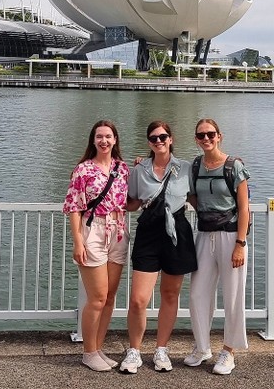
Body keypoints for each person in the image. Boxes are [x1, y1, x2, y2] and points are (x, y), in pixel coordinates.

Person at [119, 120, 197, 373]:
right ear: (149, 143)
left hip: (177, 231)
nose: (159, 141)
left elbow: (198, 196)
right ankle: (134, 350)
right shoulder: (140, 169)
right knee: (138, 300)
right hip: (149, 232)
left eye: (163, 137)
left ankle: (161, 349)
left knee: (170, 294)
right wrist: (101, 204)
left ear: (171, 139)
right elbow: (131, 202)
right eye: (154, 138)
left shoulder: (186, 168)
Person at [184, 118, 251, 375]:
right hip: (204, 234)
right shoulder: (195, 166)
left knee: (233, 295)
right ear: (196, 139)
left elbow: (244, 208)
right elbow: (192, 196)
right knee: (197, 294)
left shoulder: (234, 166)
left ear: (219, 136)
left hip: (231, 236)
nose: (206, 138)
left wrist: (240, 243)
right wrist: (142, 163)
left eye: (210, 134)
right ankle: (202, 347)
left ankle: (228, 351)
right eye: (201, 135)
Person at [62, 119, 130, 371]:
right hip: (93, 231)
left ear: (115, 140)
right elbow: (74, 207)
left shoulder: (122, 168)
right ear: (93, 140)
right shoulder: (83, 170)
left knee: (110, 297)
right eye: (99, 136)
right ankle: (88, 352)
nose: (104, 141)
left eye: (108, 136)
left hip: (118, 231)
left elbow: (130, 199)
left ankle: (98, 349)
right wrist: (78, 241)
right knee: (97, 298)